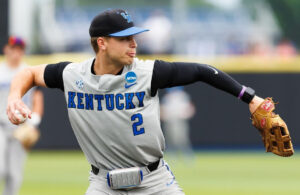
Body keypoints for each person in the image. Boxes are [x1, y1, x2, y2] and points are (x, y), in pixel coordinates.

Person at [6, 9, 270, 195]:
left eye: (134, 37)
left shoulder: (148, 73)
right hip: (102, 184)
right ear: (102, 43)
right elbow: (27, 73)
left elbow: (202, 71)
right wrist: (14, 97)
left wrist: (250, 97)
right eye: (125, 38)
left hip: (154, 182)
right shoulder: (73, 75)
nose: (134, 44)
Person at [0, 36, 44, 195]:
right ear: (6, 49)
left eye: (20, 50)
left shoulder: (28, 72)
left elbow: (37, 97)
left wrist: (35, 122)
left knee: (14, 175)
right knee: (0, 169)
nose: (16, 53)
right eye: (13, 49)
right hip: (1, 125)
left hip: (21, 128)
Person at [161, 87, 195, 155]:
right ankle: (172, 155)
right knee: (170, 138)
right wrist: (164, 116)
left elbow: (190, 108)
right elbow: (162, 109)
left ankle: (187, 154)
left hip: (180, 120)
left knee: (182, 138)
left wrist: (186, 115)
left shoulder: (183, 96)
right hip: (170, 120)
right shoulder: (167, 97)